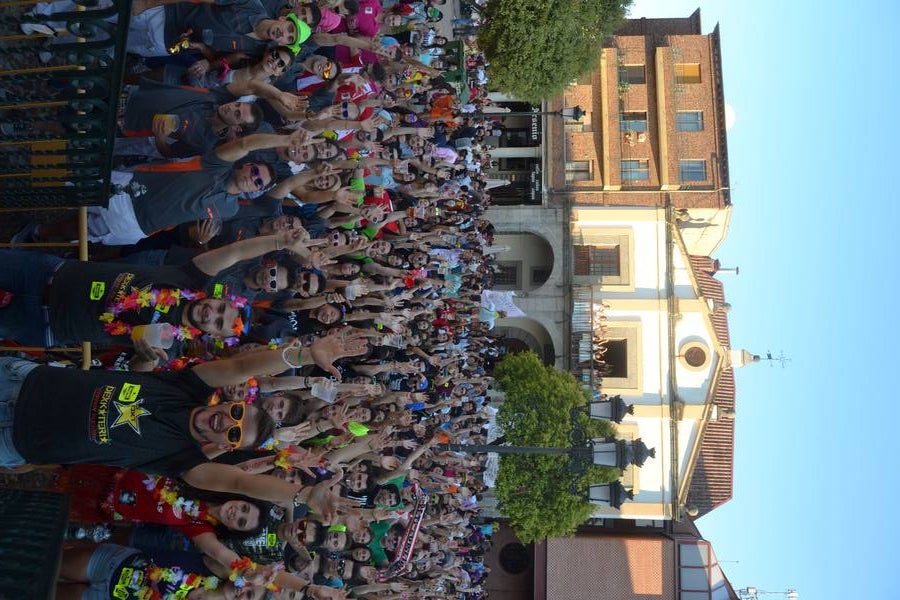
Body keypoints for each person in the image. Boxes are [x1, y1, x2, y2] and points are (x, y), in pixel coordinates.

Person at [0, 336, 369, 510]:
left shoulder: (182, 460)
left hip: (13, 439)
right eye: (237, 413)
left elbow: (241, 482)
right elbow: (242, 367)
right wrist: (304, 355)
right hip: (22, 381)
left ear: (227, 447)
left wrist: (301, 495)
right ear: (234, 401)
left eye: (234, 434)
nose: (227, 421)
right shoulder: (185, 387)